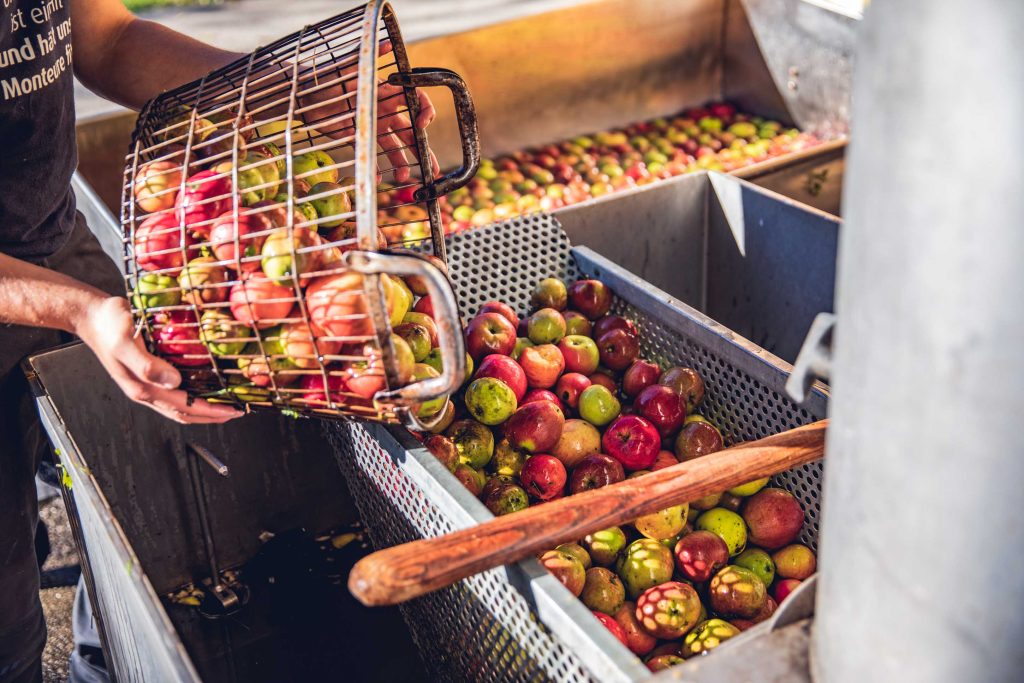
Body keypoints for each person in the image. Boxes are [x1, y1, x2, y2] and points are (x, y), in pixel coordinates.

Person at [0, 2, 434, 681]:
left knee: (133, 504)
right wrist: (81, 310)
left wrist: (297, 96)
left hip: (52, 237)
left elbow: (108, 39)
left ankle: (103, 665)